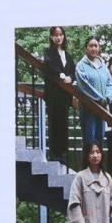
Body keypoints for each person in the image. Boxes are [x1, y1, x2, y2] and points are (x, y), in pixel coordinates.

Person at [74, 35, 112, 152]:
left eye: (96, 46)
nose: (93, 48)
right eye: (91, 46)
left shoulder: (103, 66)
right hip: (88, 107)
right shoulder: (81, 66)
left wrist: (107, 98)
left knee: (100, 139)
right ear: (85, 48)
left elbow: (110, 82)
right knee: (89, 140)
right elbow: (84, 85)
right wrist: (98, 98)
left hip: (102, 108)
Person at [41, 26, 76, 162]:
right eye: (56, 35)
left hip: (65, 96)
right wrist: (61, 75)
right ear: (51, 37)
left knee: (63, 125)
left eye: (61, 34)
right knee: (54, 124)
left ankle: (63, 154)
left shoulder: (67, 55)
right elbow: (49, 66)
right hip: (53, 95)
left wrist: (70, 78)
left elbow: (73, 70)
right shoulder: (48, 53)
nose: (58, 37)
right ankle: (54, 154)